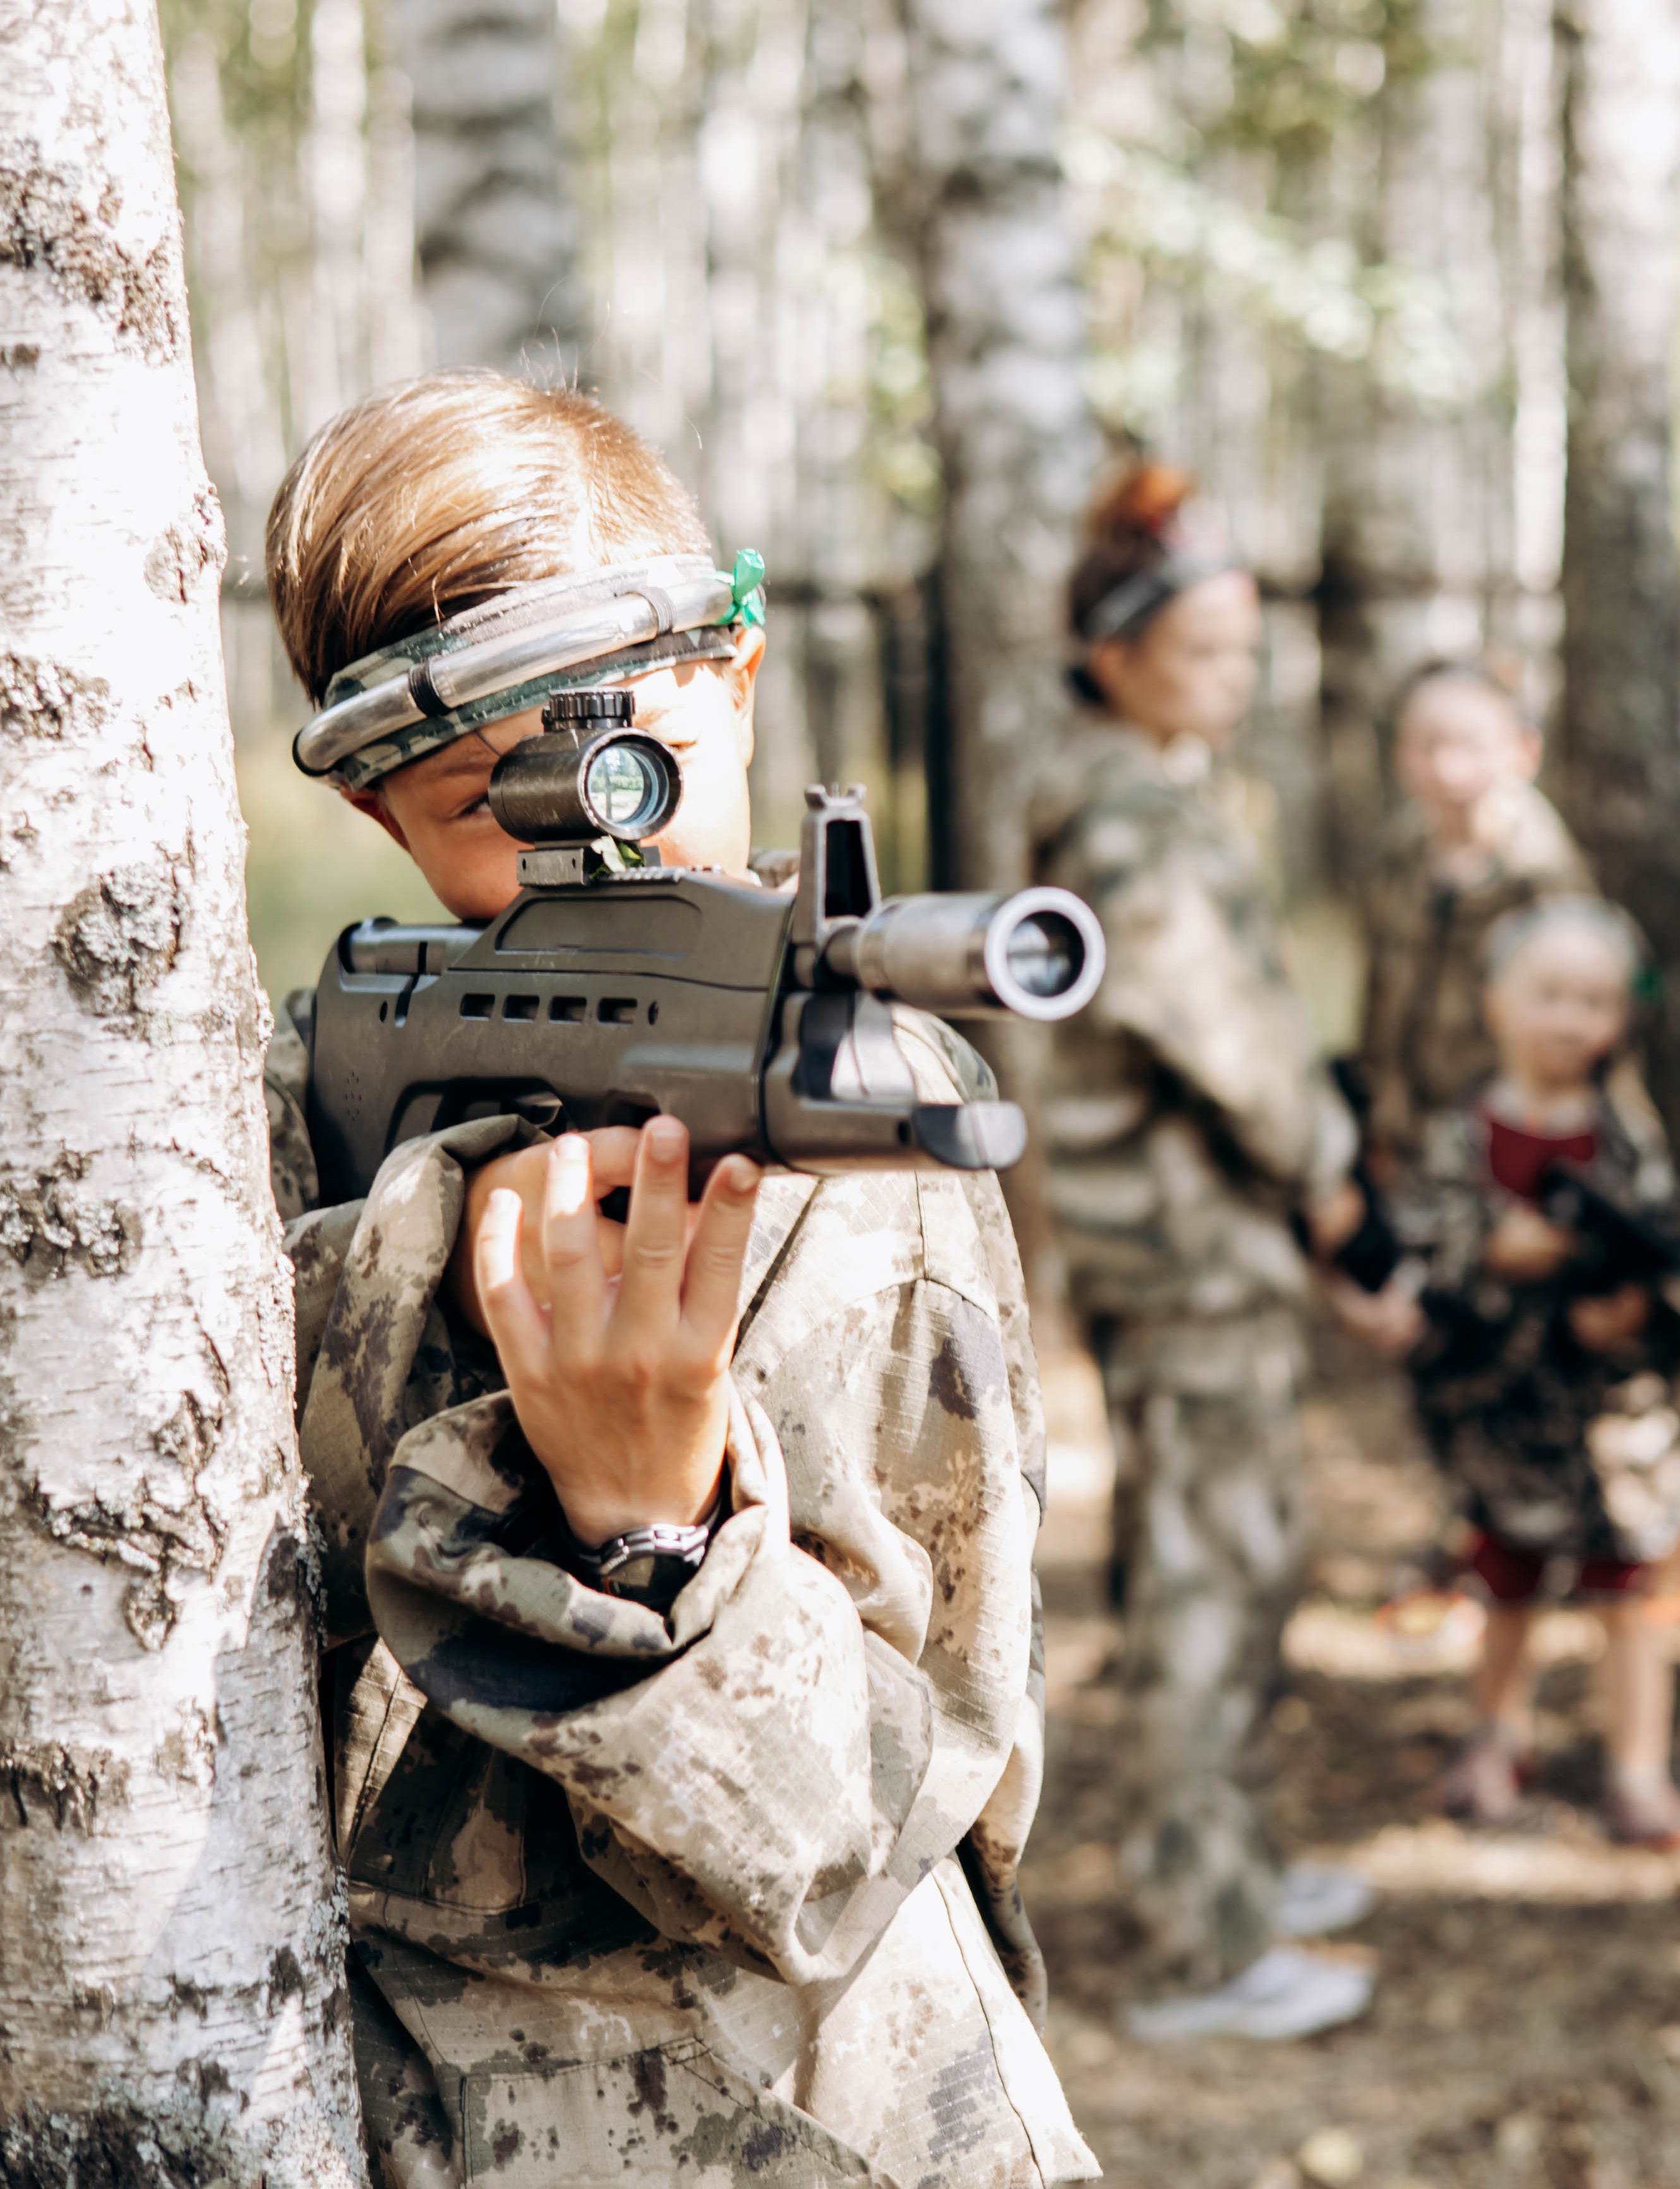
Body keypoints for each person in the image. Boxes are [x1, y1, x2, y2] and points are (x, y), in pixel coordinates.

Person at [256, 369, 1096, 2182]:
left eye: (641, 761)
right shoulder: (300, 1095)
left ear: (734, 671)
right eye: (499, 799)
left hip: (795, 2114)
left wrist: (650, 1530)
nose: (597, 845)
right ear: (385, 815)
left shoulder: (854, 1128)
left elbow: (865, 1832)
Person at [1026, 462, 1379, 2042]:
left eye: (1248, 650)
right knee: (1199, 1570)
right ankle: (1196, 1933)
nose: (1235, 680)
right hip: (1182, 1240)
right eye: (1204, 650)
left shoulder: (1157, 781)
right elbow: (1214, 1026)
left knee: (1241, 1552)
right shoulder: (1120, 803)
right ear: (1113, 649)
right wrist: (1324, 1165)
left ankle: (1228, 1853)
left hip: (1203, 1236)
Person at [1393, 898, 1680, 1850]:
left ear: (1619, 1021)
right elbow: (1425, 1246)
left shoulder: (1626, 1139)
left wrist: (1631, 1314)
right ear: (1497, 1002)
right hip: (1497, 1410)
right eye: (1548, 994)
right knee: (1506, 1578)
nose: (1569, 1018)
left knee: (1631, 1587)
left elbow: (1669, 1262)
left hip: (1610, 1414)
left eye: (1593, 1000)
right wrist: (1497, 1257)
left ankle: (1637, 1766)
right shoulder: (1461, 1133)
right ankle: (1494, 1739)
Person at [1352, 659, 1595, 1180]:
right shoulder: (1402, 854)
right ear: (1401, 755)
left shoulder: (1545, 881)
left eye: (1470, 746)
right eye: (1427, 746)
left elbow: (1584, 1057)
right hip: (1405, 1151)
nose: (1448, 770)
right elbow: (1378, 1005)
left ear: (1523, 752)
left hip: (1504, 1163)